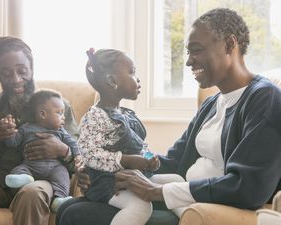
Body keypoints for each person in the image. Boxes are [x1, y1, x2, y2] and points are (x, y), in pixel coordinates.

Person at [56, 8, 281, 225]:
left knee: (76, 214)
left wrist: (158, 191)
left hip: (207, 206)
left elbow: (249, 186)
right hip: (181, 196)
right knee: (69, 207)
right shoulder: (213, 103)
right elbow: (174, 161)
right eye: (188, 53)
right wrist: (102, 171)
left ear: (230, 44)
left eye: (196, 50)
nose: (189, 61)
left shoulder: (264, 99)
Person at [77, 48, 184, 225]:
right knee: (141, 206)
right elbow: (90, 153)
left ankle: (192, 218)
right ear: (112, 81)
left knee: (177, 181)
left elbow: (139, 145)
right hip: (108, 182)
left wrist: (149, 158)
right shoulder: (94, 116)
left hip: (134, 175)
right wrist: (127, 160)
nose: (138, 79)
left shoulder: (125, 114)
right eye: (132, 72)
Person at [0, 36, 79, 225]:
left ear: (32, 67)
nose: (17, 79)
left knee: (32, 193)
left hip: (42, 177)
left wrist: (62, 150)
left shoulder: (58, 106)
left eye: (22, 70)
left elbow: (83, 160)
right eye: (7, 74)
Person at [3, 89, 81, 213]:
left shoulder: (61, 131)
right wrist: (9, 132)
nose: (63, 117)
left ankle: (59, 199)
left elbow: (74, 144)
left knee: (63, 175)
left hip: (55, 168)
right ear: (42, 114)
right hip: (30, 166)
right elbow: (13, 143)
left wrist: (76, 156)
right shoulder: (26, 128)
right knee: (20, 168)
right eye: (59, 113)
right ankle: (22, 178)